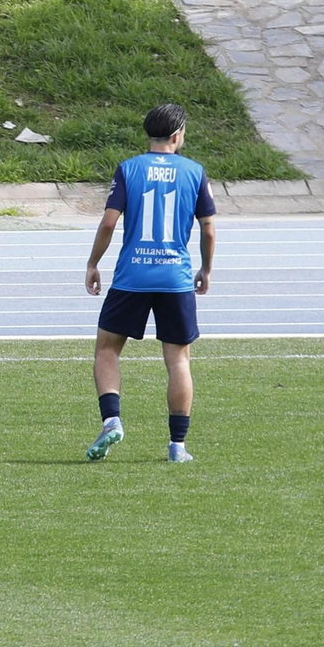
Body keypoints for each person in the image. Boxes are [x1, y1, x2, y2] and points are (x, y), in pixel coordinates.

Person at [84, 104, 216, 463]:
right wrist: (205, 268)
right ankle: (178, 447)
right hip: (175, 277)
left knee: (107, 350)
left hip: (132, 276)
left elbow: (109, 223)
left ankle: (112, 419)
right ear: (178, 135)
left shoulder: (129, 169)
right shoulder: (194, 171)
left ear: (149, 135)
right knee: (178, 360)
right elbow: (207, 227)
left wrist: (93, 263)